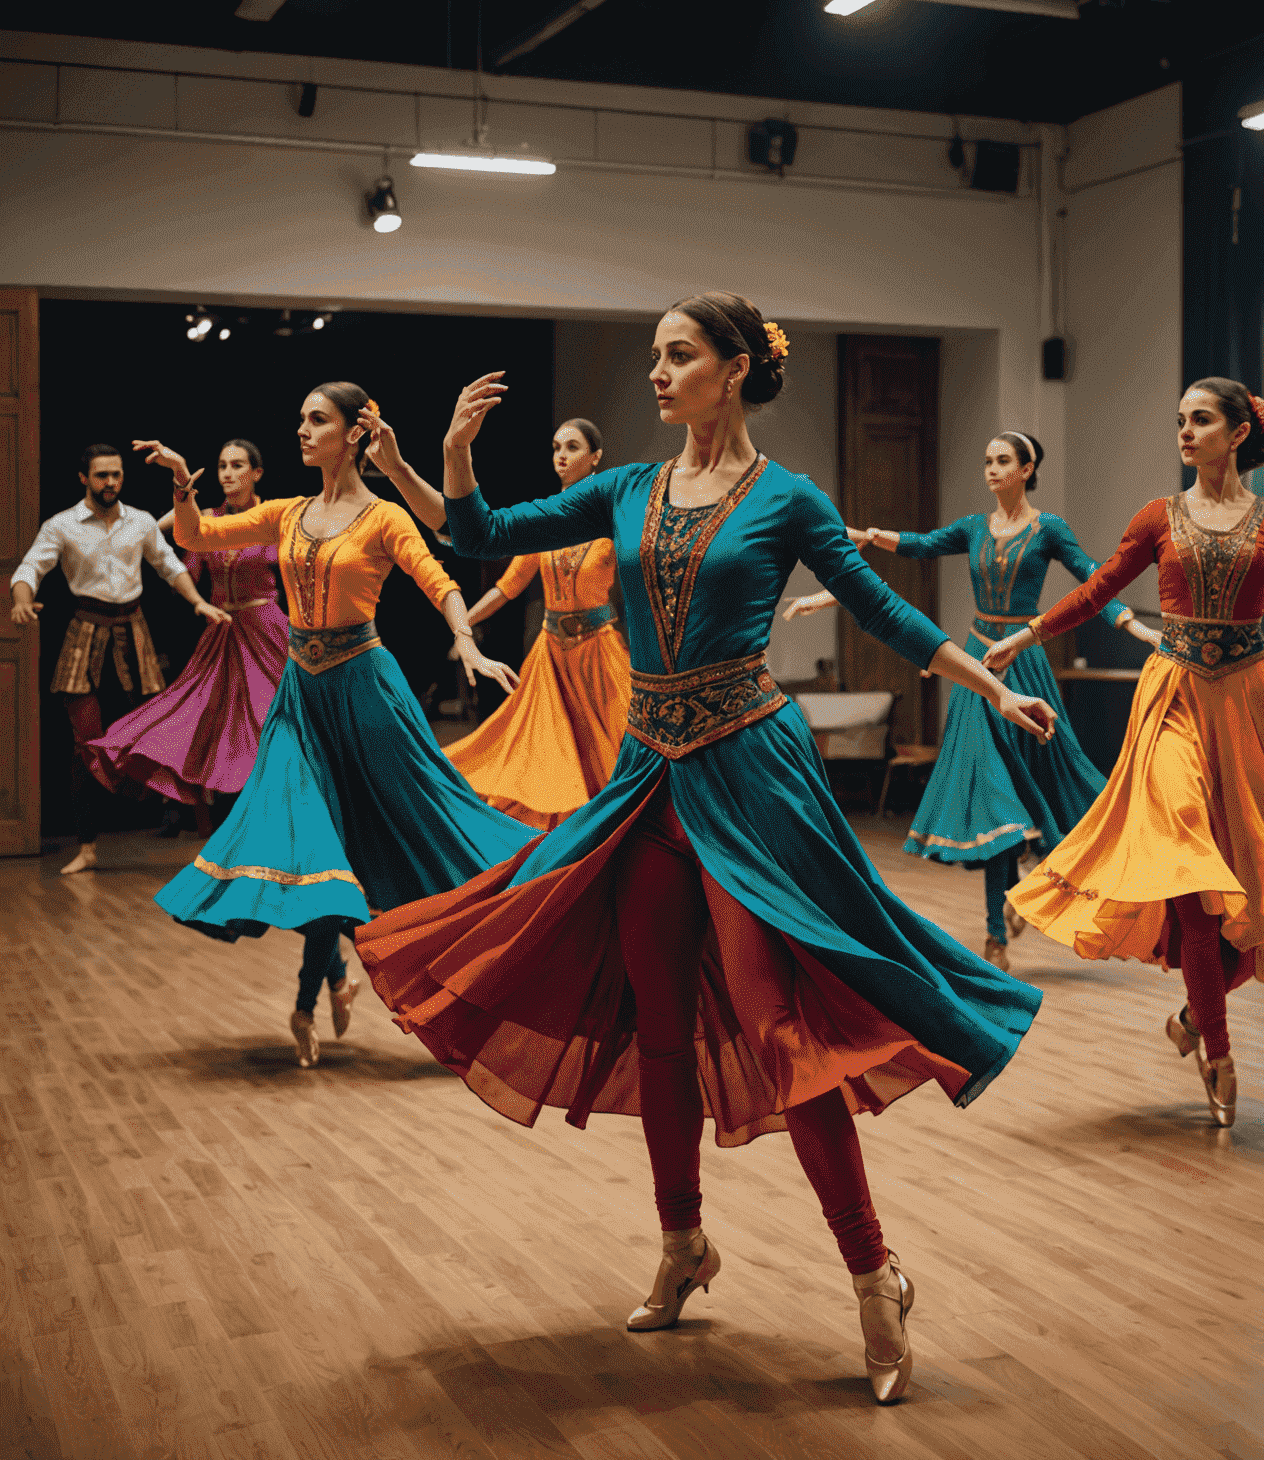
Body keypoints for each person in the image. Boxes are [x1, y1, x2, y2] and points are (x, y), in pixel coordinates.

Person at [356, 295, 1055, 1405]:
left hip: (751, 776)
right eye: (653, 357)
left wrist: (994, 687)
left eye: (676, 356)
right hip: (648, 778)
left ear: (733, 370)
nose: (657, 373)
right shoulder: (626, 489)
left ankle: (875, 1275)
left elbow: (886, 611)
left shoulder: (786, 499)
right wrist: (438, 457)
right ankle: (683, 1244)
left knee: (781, 1029)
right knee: (662, 1026)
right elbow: (482, 534)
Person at [986, 378, 1264, 1127]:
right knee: (1190, 868)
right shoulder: (1158, 516)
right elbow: (1100, 588)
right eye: (1180, 420)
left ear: (1238, 434)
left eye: (1200, 420)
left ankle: (1197, 1019)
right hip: (1171, 696)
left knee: (1250, 889)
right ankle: (1222, 1051)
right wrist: (1024, 634)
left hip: (1244, 703)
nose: (1185, 431)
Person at [135, 382, 540, 1070]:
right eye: (299, 418)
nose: (301, 430)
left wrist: (466, 640)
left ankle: (496, 947)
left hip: (366, 692)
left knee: (421, 831)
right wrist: (180, 480)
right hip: (301, 694)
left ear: (355, 433)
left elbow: (438, 580)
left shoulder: (383, 517)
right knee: (312, 844)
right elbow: (198, 534)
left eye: (316, 420)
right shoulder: (289, 512)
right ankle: (306, 1002)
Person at [784, 432, 1161, 970]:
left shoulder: (1048, 528)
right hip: (977, 667)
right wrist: (862, 540)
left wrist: (1131, 627)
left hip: (1023, 663)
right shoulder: (973, 528)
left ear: (1028, 468)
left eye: (1002, 460)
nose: (991, 469)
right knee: (993, 800)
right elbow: (920, 545)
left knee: (1041, 791)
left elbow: (1094, 582)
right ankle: (995, 935)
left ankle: (1034, 896)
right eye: (987, 460)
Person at [368, 416, 631, 828]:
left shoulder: (615, 522)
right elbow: (506, 588)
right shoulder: (549, 520)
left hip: (598, 653)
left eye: (573, 447)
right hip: (552, 657)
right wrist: (463, 625)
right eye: (556, 448)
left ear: (595, 457)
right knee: (547, 757)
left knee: (613, 751)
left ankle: (607, 833)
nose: (561, 456)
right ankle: (561, 835)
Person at [9, 443, 229, 874]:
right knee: (83, 745)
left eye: (116, 475)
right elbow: (29, 568)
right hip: (85, 631)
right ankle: (88, 846)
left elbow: (170, 565)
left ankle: (192, 825)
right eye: (101, 476)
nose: (110, 483)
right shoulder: (63, 525)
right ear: (83, 478)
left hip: (135, 629)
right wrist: (22, 601)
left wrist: (198, 603)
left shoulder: (141, 522)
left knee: (165, 728)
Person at [83, 439, 287, 833]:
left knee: (272, 723)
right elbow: (163, 538)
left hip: (266, 633)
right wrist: (178, 488)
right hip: (222, 634)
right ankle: (225, 827)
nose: (227, 473)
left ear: (256, 473)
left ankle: (283, 821)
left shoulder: (274, 517)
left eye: (237, 465)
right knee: (198, 721)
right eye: (222, 465)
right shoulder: (206, 517)